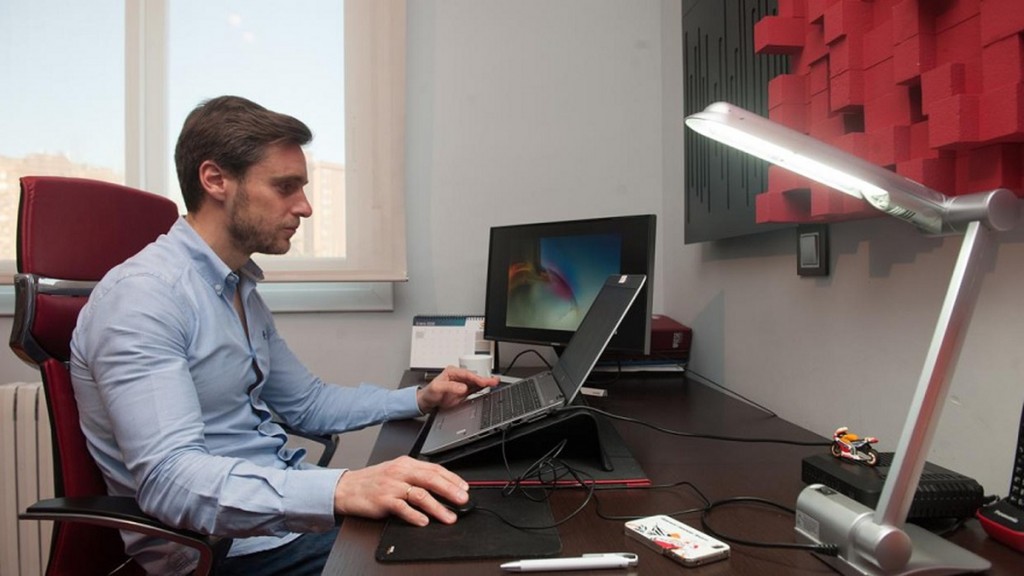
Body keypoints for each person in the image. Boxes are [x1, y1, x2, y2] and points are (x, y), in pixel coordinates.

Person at [69, 95, 497, 576]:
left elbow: (308, 404)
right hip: (219, 550)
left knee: (476, 521)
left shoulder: (237, 288)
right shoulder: (143, 298)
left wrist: (419, 399)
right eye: (285, 187)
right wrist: (341, 488)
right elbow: (170, 481)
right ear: (215, 180)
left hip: (278, 522)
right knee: (451, 559)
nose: (305, 207)